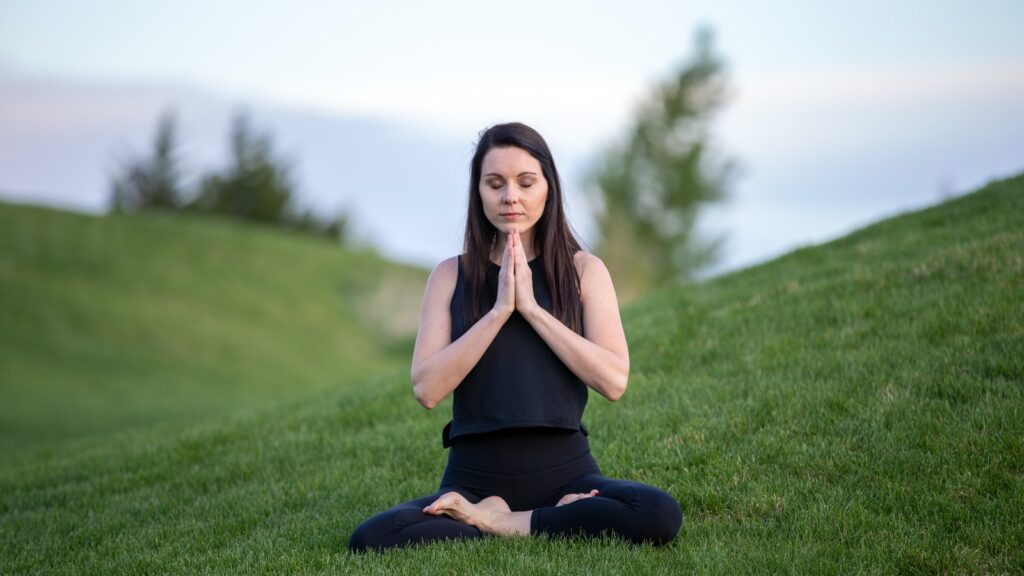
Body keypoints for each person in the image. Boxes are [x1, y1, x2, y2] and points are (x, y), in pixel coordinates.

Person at [348, 122, 682, 552]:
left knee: (657, 512)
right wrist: (500, 310)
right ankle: (529, 517)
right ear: (478, 192)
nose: (510, 196)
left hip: (567, 474)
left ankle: (500, 522)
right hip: (472, 480)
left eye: (525, 182)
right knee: (372, 537)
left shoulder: (584, 271)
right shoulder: (449, 276)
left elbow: (614, 381)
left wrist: (532, 309)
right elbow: (426, 389)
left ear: (548, 188)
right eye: (495, 184)